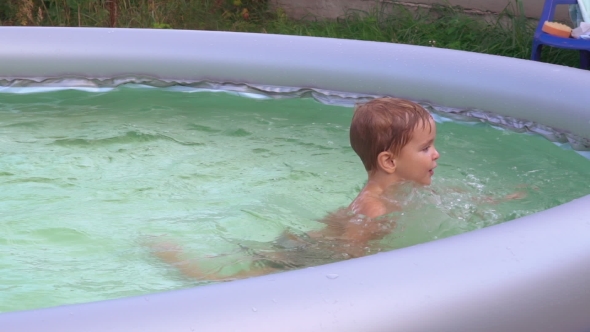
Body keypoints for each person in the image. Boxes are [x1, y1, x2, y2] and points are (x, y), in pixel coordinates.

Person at [149, 97, 440, 281]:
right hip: (309, 255)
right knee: (217, 281)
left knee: (241, 265)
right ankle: (171, 255)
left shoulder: (400, 189)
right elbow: (351, 257)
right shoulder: (372, 206)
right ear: (389, 161)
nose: (435, 154)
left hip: (307, 243)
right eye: (426, 148)